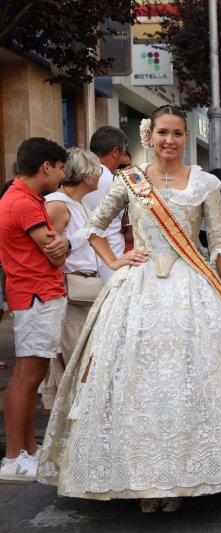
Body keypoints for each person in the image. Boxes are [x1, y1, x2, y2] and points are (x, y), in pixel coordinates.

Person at [36, 105, 221, 511]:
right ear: (148, 136)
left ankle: (184, 476)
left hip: (193, 288)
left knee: (191, 377)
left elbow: (220, 243)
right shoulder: (129, 181)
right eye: (162, 133)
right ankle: (142, 478)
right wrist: (116, 261)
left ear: (186, 137)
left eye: (176, 133)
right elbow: (94, 227)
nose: (169, 140)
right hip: (139, 289)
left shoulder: (205, 183)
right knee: (136, 379)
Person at [0, 138, 69, 481]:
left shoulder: (22, 197)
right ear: (46, 166)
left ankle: (26, 449)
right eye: (59, 168)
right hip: (36, 296)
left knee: (32, 376)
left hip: (35, 295)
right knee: (27, 377)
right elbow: (55, 251)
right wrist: (64, 243)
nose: (61, 176)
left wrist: (60, 245)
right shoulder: (23, 203)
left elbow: (54, 247)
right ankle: (14, 456)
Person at [41, 148, 104, 411]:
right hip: (70, 291)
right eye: (97, 169)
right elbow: (47, 250)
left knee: (85, 359)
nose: (100, 175)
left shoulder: (79, 203)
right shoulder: (58, 203)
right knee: (73, 359)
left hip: (85, 288)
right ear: (86, 173)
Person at [86, 125, 128, 281]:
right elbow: (127, 226)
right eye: (123, 154)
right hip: (112, 261)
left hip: (82, 266)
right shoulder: (118, 183)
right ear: (115, 151)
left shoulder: (74, 179)